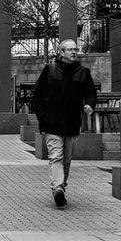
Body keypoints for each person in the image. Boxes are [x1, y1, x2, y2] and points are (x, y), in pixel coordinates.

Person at [32, 39, 97, 209]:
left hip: (72, 123)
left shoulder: (83, 73)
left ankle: (61, 186)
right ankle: (58, 188)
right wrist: (43, 118)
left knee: (66, 160)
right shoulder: (51, 70)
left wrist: (90, 104)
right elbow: (37, 95)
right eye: (69, 49)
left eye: (75, 49)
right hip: (52, 124)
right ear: (61, 52)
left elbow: (90, 93)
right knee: (56, 157)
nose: (74, 52)